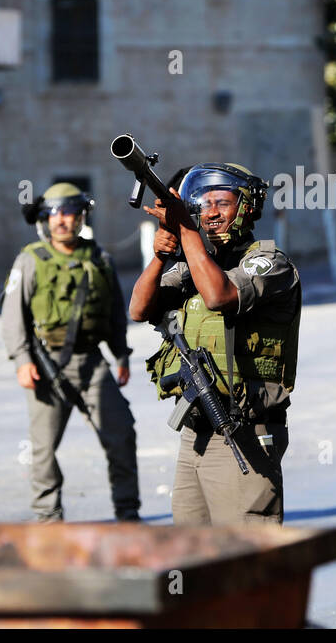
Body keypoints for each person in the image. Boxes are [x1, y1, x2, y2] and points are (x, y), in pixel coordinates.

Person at [129, 162, 301, 526]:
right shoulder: (195, 264)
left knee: (246, 561)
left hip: (244, 433)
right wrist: (161, 255)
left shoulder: (270, 262)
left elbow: (219, 296)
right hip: (196, 435)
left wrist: (187, 233)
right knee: (193, 559)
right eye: (203, 204)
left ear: (248, 207)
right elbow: (139, 308)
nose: (211, 213)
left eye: (222, 203)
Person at [2, 182, 140, 522]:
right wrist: (22, 361)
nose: (63, 220)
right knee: (44, 450)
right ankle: (49, 518)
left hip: (93, 362)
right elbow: (12, 317)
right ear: (46, 219)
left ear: (81, 216)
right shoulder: (30, 260)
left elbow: (114, 315)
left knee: (121, 434)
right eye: (56, 214)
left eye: (70, 212)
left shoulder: (100, 258)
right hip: (47, 365)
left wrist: (120, 355)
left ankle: (128, 512)